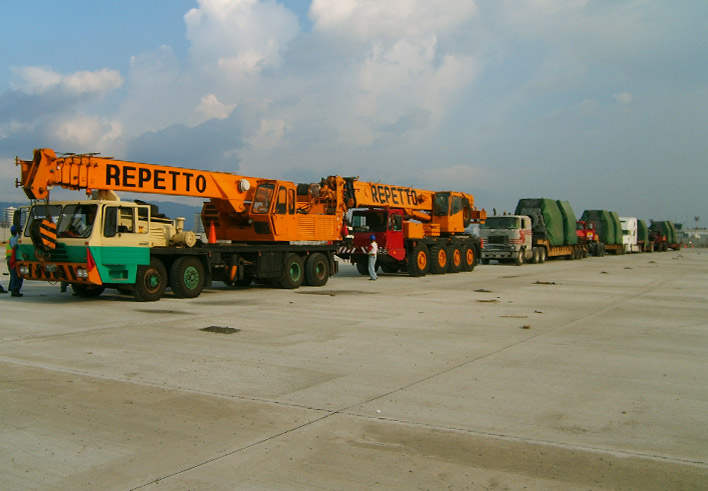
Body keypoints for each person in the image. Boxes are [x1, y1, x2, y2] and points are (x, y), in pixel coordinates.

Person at [7, 225, 23, 297]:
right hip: (15, 259)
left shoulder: (10, 239)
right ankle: (15, 291)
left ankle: (12, 289)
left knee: (13, 276)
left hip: (10, 259)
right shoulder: (15, 239)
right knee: (17, 276)